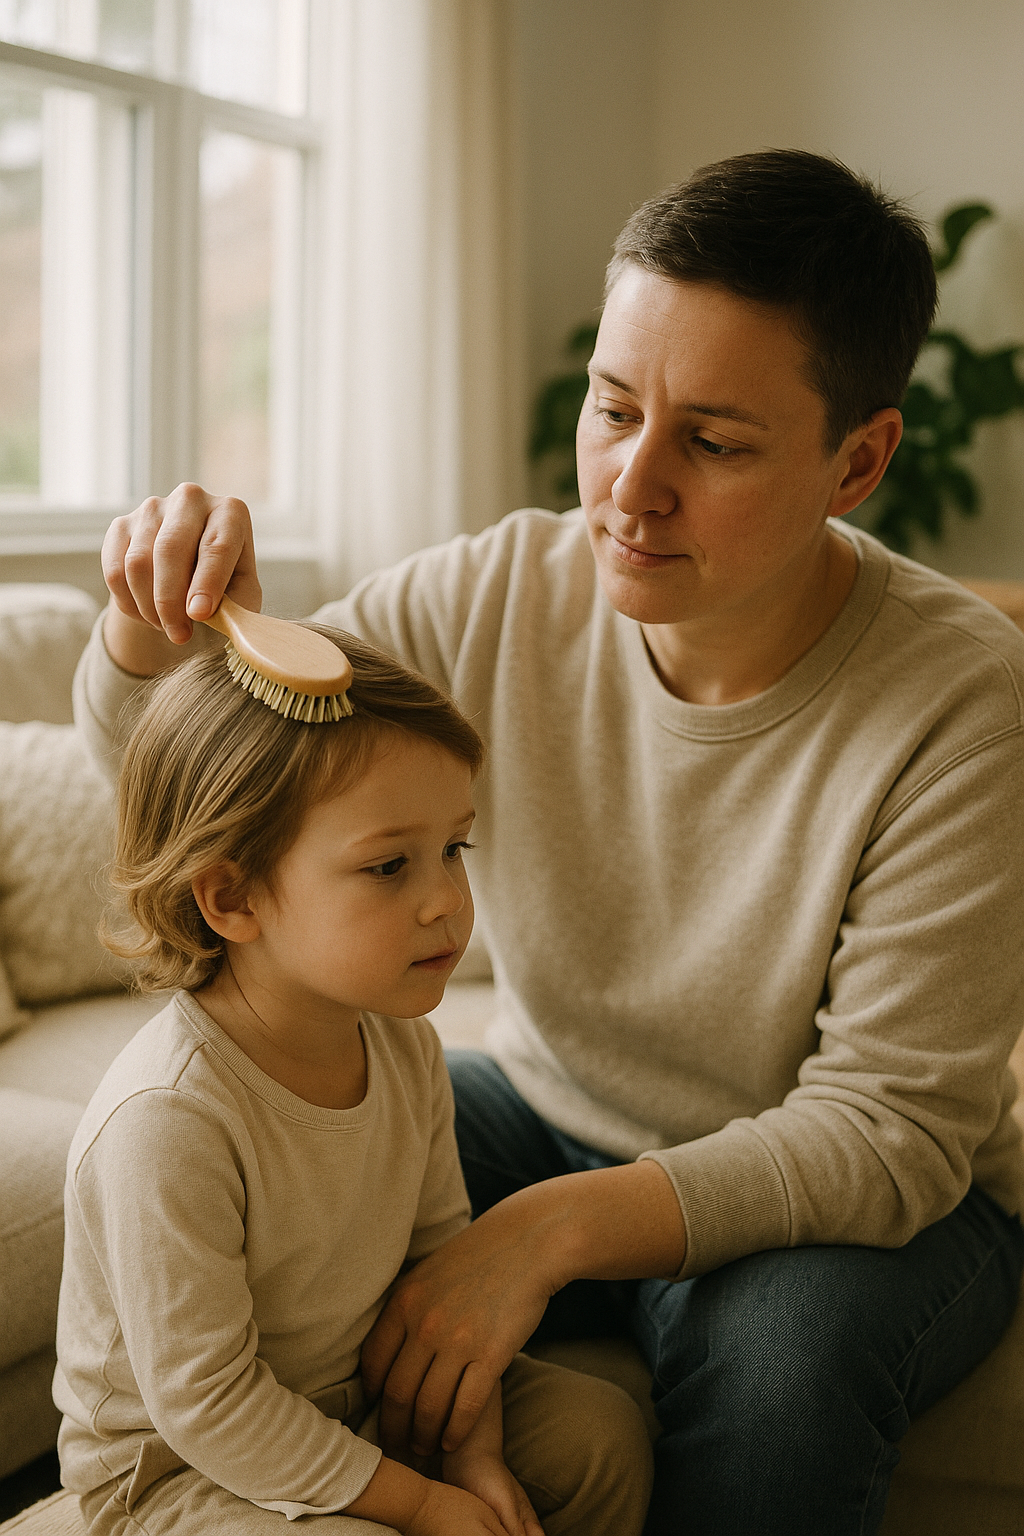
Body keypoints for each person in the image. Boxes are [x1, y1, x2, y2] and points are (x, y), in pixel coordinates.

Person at [74, 150, 1024, 1535]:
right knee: (273, 1163)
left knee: (776, 1372)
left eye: (714, 442)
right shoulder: (502, 588)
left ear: (859, 463)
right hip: (545, 1105)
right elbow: (209, 793)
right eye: (613, 408)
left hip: (855, 1200)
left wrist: (545, 1233)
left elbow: (889, 1132)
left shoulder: (963, 698)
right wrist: (147, 633)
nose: (627, 491)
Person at [54, 631, 654, 1536]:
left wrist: (473, 1456)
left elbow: (440, 1273)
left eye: (454, 849)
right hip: (178, 1473)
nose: (446, 899)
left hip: (356, 1402)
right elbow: (209, 1404)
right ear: (232, 899)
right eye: (388, 866)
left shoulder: (403, 1046)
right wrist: (419, 1502)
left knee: (600, 1436)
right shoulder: (171, 1119)